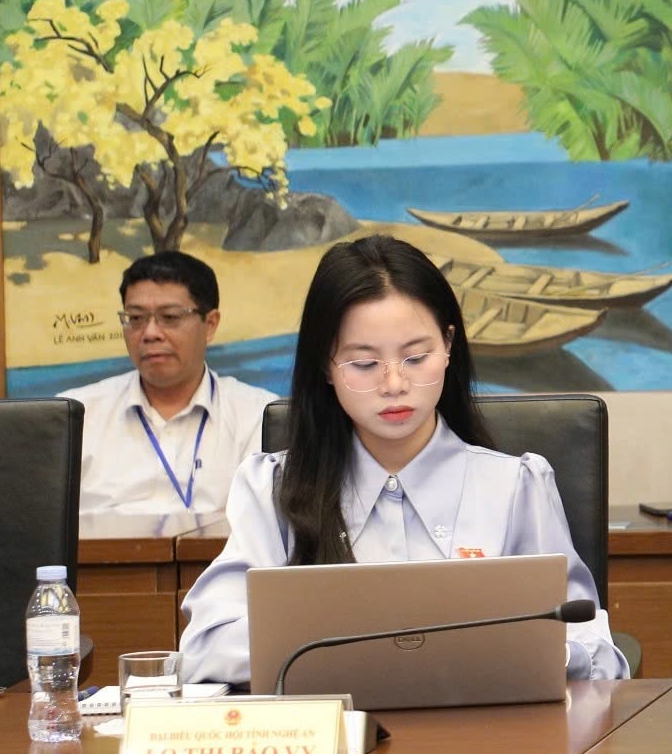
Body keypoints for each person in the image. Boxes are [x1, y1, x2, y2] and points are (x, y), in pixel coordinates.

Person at [179, 235, 625, 686]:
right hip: (337, 730)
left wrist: (519, 648)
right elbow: (205, 648)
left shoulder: (515, 487)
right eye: (364, 364)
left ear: (448, 345)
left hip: (485, 727)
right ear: (326, 366)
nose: (394, 384)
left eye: (415, 357)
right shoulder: (273, 489)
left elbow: (597, 652)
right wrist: (381, 639)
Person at [60, 250, 276, 516]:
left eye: (170, 317)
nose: (150, 333)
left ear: (210, 324)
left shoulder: (259, 417)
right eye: (135, 318)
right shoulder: (75, 417)